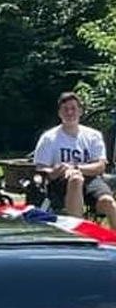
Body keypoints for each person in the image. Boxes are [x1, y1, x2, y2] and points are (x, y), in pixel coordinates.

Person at [33, 92, 116, 223]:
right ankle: (78, 232)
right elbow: (40, 168)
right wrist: (54, 172)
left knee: (108, 202)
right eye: (65, 109)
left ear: (80, 111)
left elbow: (100, 166)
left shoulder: (93, 136)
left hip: (90, 179)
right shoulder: (49, 138)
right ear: (59, 113)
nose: (69, 113)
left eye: (73, 109)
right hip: (60, 183)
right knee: (76, 179)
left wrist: (76, 167)